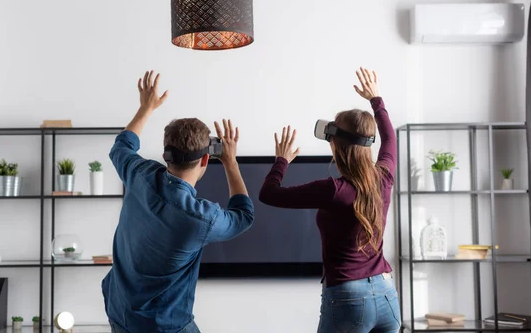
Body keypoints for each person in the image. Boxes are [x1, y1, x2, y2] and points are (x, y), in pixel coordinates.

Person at [103, 70, 254, 333]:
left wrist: (146, 108)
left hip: (120, 312)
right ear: (206, 160)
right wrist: (231, 163)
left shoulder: (139, 174)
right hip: (164, 326)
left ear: (165, 154)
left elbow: (121, 147)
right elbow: (244, 216)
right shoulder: (201, 218)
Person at [259, 68, 400, 333]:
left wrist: (281, 161)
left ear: (335, 144)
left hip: (349, 296)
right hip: (386, 294)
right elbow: (390, 138)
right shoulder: (385, 176)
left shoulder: (333, 190)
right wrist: (375, 99)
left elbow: (268, 194)